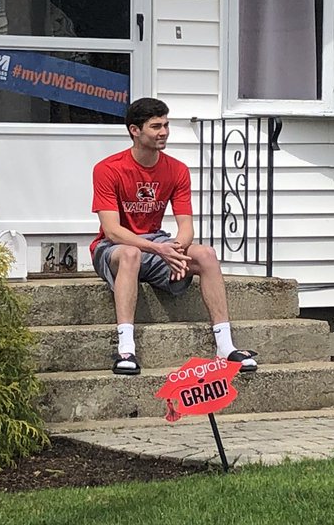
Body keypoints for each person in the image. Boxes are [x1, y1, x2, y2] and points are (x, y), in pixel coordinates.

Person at [90, 97, 258, 376]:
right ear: (135, 130)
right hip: (114, 249)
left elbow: (186, 227)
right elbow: (112, 231)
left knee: (206, 254)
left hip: (157, 243)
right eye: (156, 126)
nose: (164, 132)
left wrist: (176, 250)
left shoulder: (176, 170)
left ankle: (225, 346)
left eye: (166, 125)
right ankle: (126, 350)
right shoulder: (109, 169)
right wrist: (160, 251)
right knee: (131, 254)